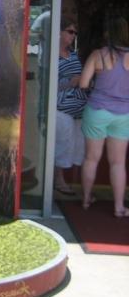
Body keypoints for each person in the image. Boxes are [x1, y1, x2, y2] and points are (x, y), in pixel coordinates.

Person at [79, 15, 129, 217]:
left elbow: (83, 84)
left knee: (91, 158)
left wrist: (99, 84)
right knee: (118, 162)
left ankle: (86, 199)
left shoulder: (97, 55)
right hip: (124, 114)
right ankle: (119, 207)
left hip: (97, 111)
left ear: (108, 34)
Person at [54, 18, 87, 195]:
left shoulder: (74, 55)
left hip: (79, 108)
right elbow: (47, 84)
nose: (73, 36)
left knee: (77, 145)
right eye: (70, 31)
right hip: (61, 107)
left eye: (75, 33)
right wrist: (69, 83)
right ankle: (58, 180)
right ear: (58, 32)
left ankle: (68, 181)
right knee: (63, 144)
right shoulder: (51, 55)